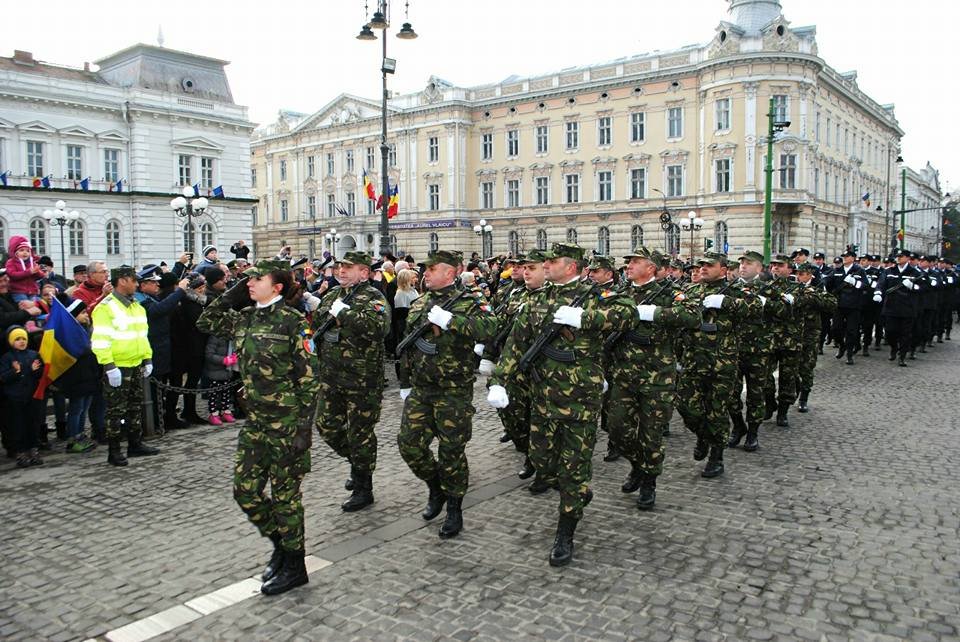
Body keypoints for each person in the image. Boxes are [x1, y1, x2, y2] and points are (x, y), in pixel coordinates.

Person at [489, 242, 634, 566]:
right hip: (543, 397)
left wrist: (587, 318)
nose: (546, 265)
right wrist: (499, 379)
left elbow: (628, 314)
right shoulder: (537, 300)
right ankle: (576, 490)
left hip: (581, 400)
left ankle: (565, 531)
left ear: (570, 267)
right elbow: (516, 344)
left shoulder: (597, 296)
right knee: (542, 461)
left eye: (552, 261)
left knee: (572, 468)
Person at [196, 259, 321, 596]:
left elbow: (309, 381)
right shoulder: (246, 317)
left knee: (286, 498)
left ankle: (295, 565)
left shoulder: (292, 322)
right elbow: (205, 321)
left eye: (257, 279)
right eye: (247, 279)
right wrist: (230, 296)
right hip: (255, 422)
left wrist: (303, 430)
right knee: (245, 491)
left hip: (286, 423)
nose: (250, 283)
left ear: (277, 286)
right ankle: (282, 545)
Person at [397, 249, 496, 540]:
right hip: (422, 389)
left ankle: (454, 507)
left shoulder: (470, 301)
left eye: (432, 269)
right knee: (409, 445)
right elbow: (407, 346)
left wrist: (452, 321)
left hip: (454, 391)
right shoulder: (419, 303)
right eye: (424, 269)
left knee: (452, 452)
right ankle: (435, 486)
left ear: (450, 273)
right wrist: (405, 382)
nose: (425, 274)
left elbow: (490, 328)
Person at [606, 247, 700, 510]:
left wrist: (654, 313)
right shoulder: (620, 293)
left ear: (651, 268)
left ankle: (649, 481)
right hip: (623, 375)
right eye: (628, 262)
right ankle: (638, 465)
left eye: (635, 262)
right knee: (616, 428)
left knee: (651, 434)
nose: (629, 266)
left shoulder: (670, 293)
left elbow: (693, 316)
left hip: (657, 377)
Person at [312, 251, 390, 512]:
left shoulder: (374, 298)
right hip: (331, 377)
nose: (341, 271)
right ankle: (359, 464)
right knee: (326, 426)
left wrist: (345, 315)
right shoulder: (332, 295)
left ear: (364, 273)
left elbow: (379, 329)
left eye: (348, 267)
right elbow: (318, 326)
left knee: (360, 434)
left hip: (362, 380)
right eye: (339, 267)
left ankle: (363, 486)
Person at [675, 252, 760, 478]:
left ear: (723, 270)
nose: (702, 268)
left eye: (708, 265)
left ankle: (716, 456)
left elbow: (756, 309)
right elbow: (675, 316)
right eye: (701, 265)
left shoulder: (737, 291)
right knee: (686, 406)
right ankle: (703, 436)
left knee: (716, 411)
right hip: (693, 360)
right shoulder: (690, 291)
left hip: (721, 362)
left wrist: (727, 302)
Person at [480, 250, 548, 480]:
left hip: (544, 371)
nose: (525, 272)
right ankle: (526, 447)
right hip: (513, 365)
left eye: (531, 268)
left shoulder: (554, 297)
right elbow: (500, 326)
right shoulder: (515, 294)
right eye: (523, 268)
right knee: (514, 414)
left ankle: (538, 464)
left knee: (541, 420)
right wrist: (487, 353)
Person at [91, 266, 160, 466]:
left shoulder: (136, 306)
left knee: (135, 407)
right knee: (115, 411)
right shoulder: (106, 307)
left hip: (136, 362)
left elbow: (142, 336)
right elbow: (100, 341)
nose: (137, 284)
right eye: (134, 280)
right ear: (122, 281)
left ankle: (135, 443)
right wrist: (109, 365)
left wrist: (147, 359)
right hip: (118, 366)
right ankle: (114, 451)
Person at [138, 266, 190, 430]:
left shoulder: (150, 297)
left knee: (158, 389)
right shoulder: (141, 300)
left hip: (160, 347)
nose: (157, 286)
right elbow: (159, 310)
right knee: (152, 391)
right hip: (152, 348)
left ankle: (160, 419)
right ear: (143, 284)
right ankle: (153, 422)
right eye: (153, 283)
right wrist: (180, 291)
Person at [54, 300, 99, 453]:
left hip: (88, 375)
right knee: (76, 409)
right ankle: (73, 438)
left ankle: (80, 434)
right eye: (82, 313)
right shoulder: (71, 334)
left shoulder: (85, 329)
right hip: (77, 378)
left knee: (84, 408)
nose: (86, 315)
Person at [794, 262, 836, 411]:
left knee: (807, 366)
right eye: (797, 274)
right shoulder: (793, 287)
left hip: (811, 332)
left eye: (801, 274)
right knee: (792, 367)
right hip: (793, 333)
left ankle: (804, 398)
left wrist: (813, 297)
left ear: (809, 275)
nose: (798, 277)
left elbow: (831, 303)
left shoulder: (818, 287)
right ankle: (795, 389)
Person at [0, 326, 44, 467]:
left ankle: (33, 450)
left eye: (23, 339)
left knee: (32, 424)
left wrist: (36, 371)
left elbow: (41, 374)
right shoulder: (7, 358)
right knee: (18, 426)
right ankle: (21, 452)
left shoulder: (33, 354)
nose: (21, 341)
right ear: (11, 341)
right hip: (15, 398)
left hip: (31, 395)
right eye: (17, 339)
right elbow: (3, 377)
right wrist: (15, 372)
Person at [877, 249, 921, 366]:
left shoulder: (914, 272)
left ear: (907, 258)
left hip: (907, 308)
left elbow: (923, 288)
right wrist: (878, 292)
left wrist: (912, 286)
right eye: (897, 256)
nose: (898, 258)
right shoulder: (889, 271)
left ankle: (902, 356)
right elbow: (881, 283)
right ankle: (893, 347)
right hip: (891, 307)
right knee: (890, 332)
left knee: (905, 334)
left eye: (901, 256)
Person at [826, 249, 867, 365]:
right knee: (835, 329)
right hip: (839, 305)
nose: (844, 258)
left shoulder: (859, 271)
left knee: (851, 331)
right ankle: (842, 346)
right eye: (844, 256)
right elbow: (829, 284)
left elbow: (865, 286)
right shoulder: (837, 270)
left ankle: (849, 353)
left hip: (854, 305)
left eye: (847, 256)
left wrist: (855, 283)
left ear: (853, 258)